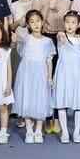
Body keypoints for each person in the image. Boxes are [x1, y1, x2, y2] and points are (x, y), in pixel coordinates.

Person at [15, 10, 56, 144]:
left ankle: (38, 130)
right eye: (32, 22)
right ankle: (29, 130)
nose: (36, 24)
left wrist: (49, 77)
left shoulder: (48, 41)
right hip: (26, 73)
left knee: (40, 100)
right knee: (27, 98)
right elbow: (15, 39)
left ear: (42, 22)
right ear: (28, 25)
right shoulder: (25, 39)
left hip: (41, 73)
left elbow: (49, 61)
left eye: (38, 21)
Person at [54, 11, 80, 143]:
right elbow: (61, 38)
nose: (70, 25)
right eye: (67, 22)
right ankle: (64, 132)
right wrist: (62, 36)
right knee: (62, 102)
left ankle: (76, 132)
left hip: (78, 74)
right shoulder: (61, 35)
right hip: (64, 73)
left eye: (73, 22)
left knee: (78, 102)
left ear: (78, 24)